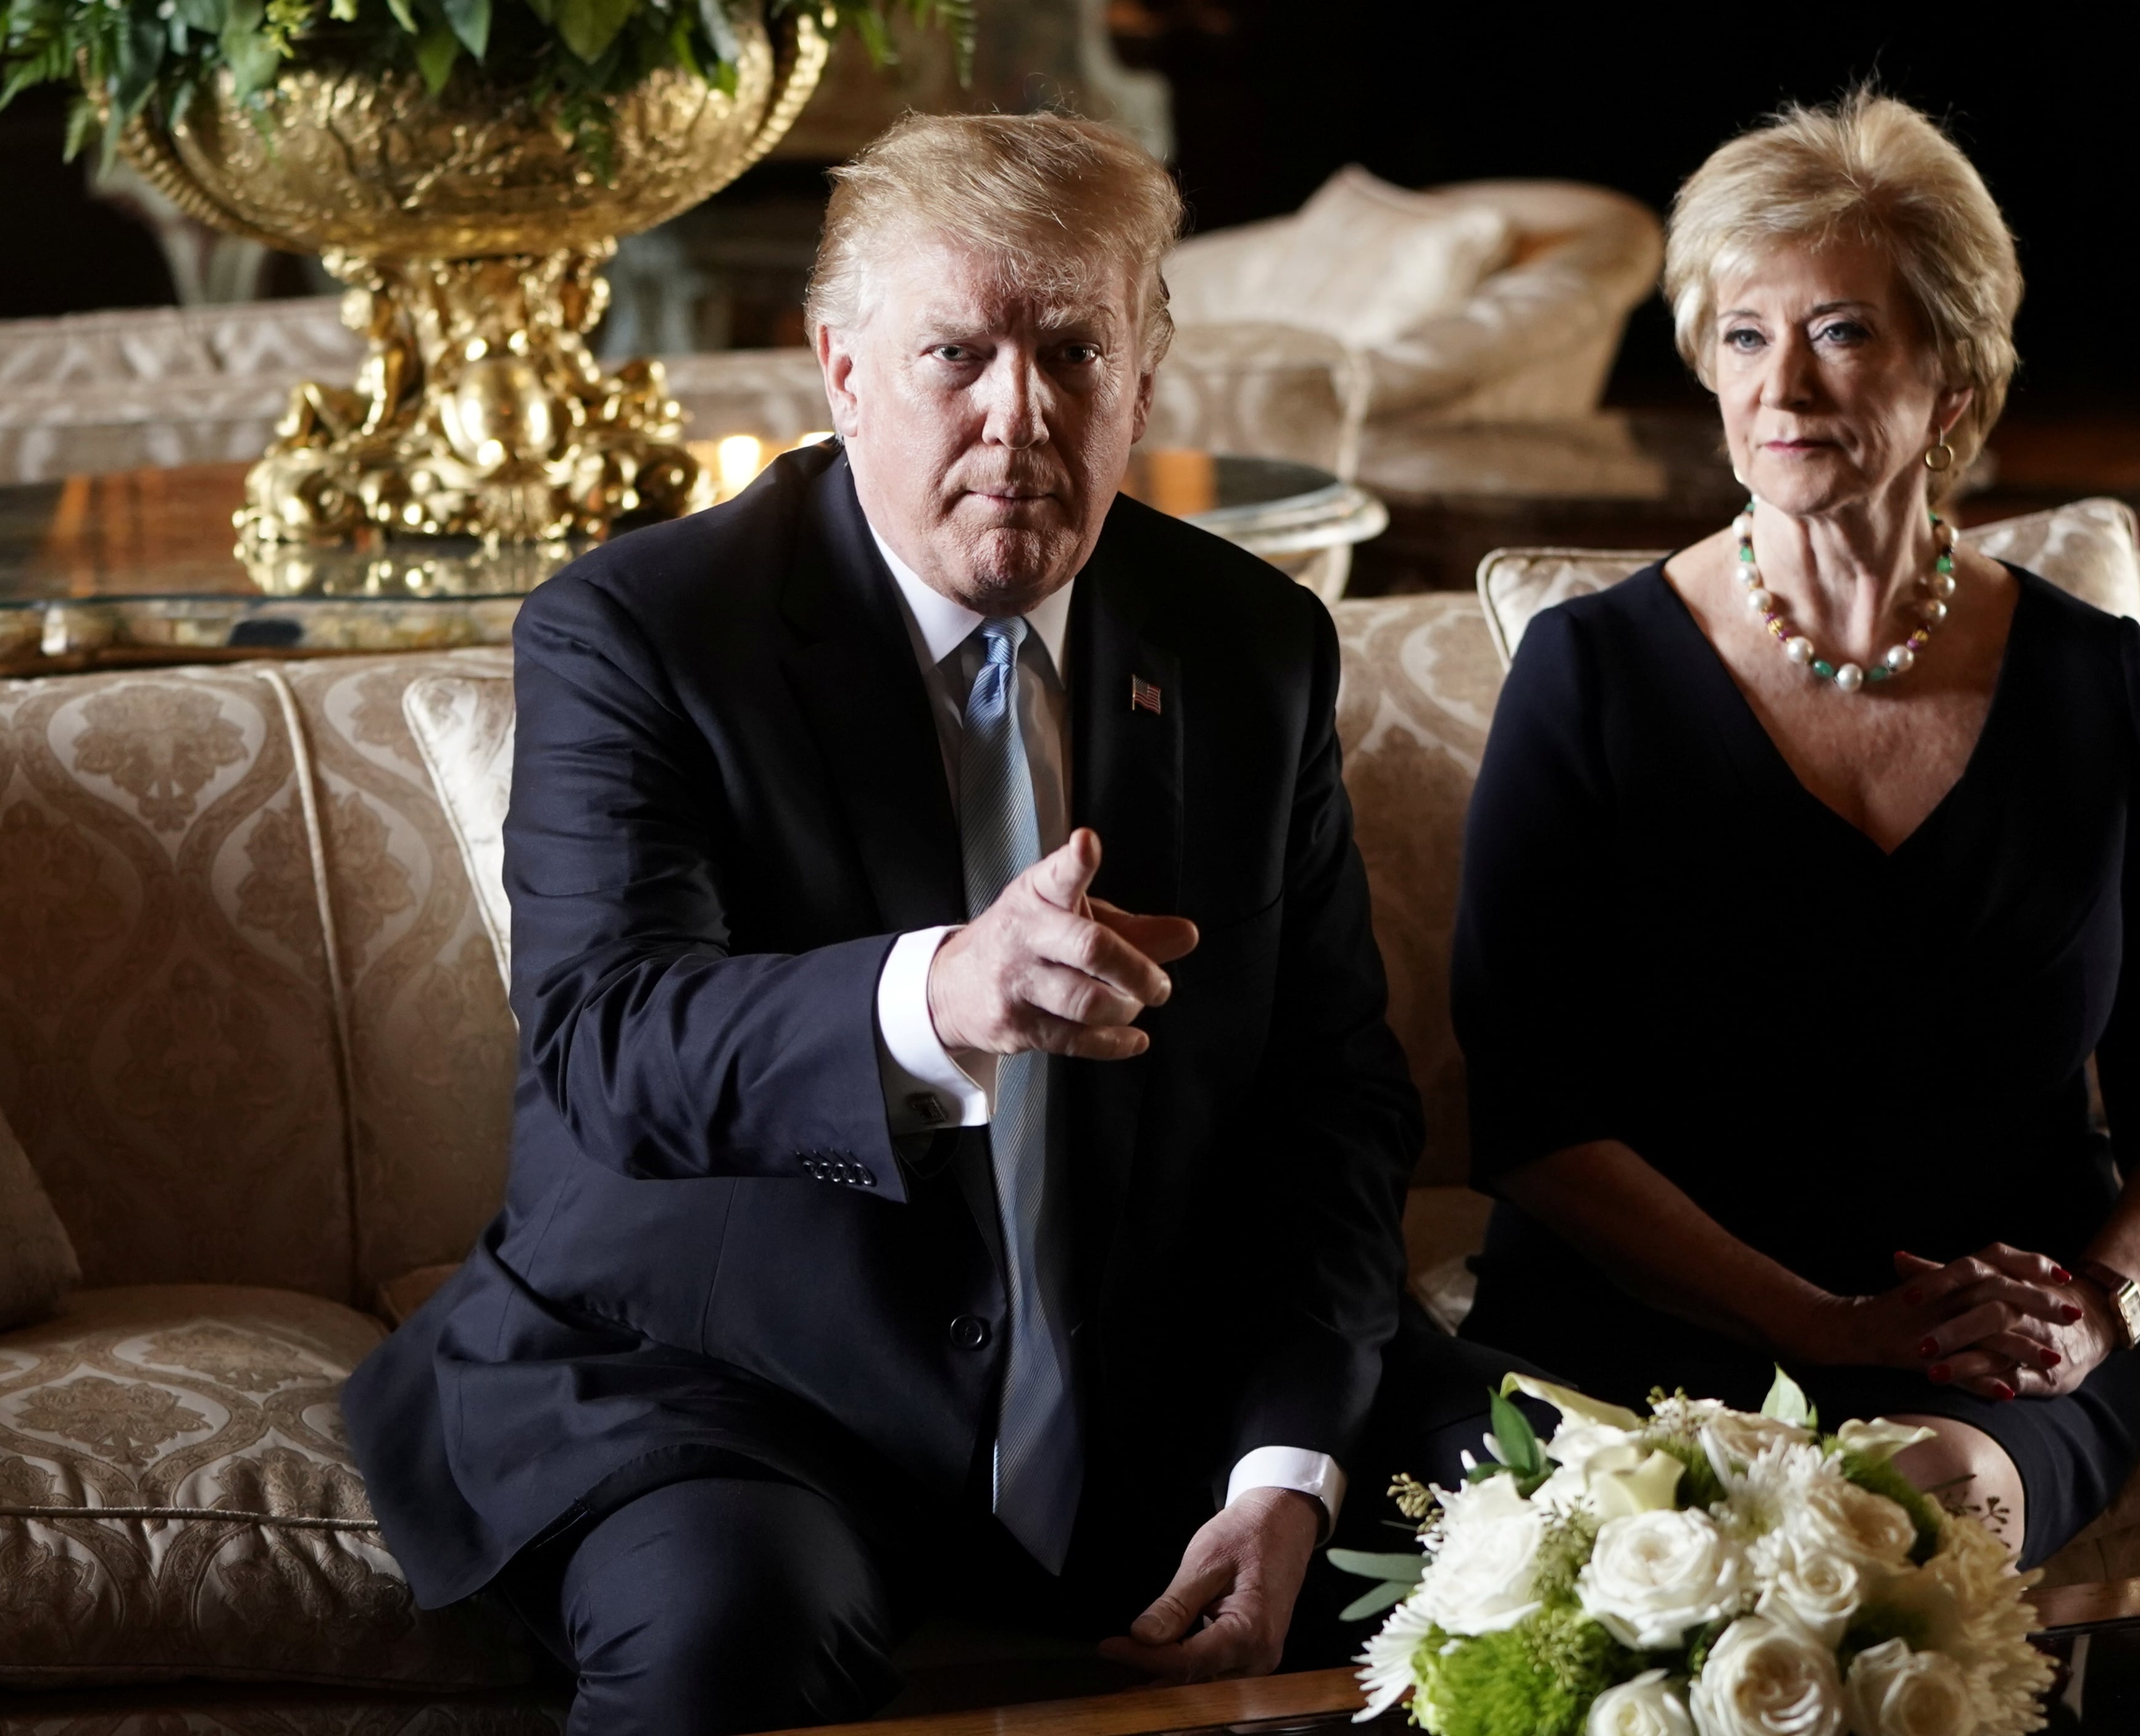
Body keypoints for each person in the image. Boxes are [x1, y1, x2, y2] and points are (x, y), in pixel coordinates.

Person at [344, 111, 1512, 1735]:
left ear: (1145, 381)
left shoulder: (1249, 644)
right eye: (955, 353)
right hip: (735, 1379)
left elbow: (1332, 1101)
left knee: (1563, 1526)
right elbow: (611, 1044)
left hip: (1151, 1367)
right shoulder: (645, 629)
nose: (1018, 414)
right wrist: (939, 996)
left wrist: (1287, 1464)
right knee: (728, 1622)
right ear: (839, 370)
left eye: (1072, 354)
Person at [1448, 90, 2140, 1569]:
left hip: (1977, 1353)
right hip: (1648, 1317)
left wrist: (2103, 1301)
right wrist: (1812, 1322)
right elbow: (1534, 1114)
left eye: (1841, 331)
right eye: (1742, 336)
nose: (1782, 385)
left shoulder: (2093, 683)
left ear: (1952, 384)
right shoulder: (1592, 676)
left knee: (1909, 1510)